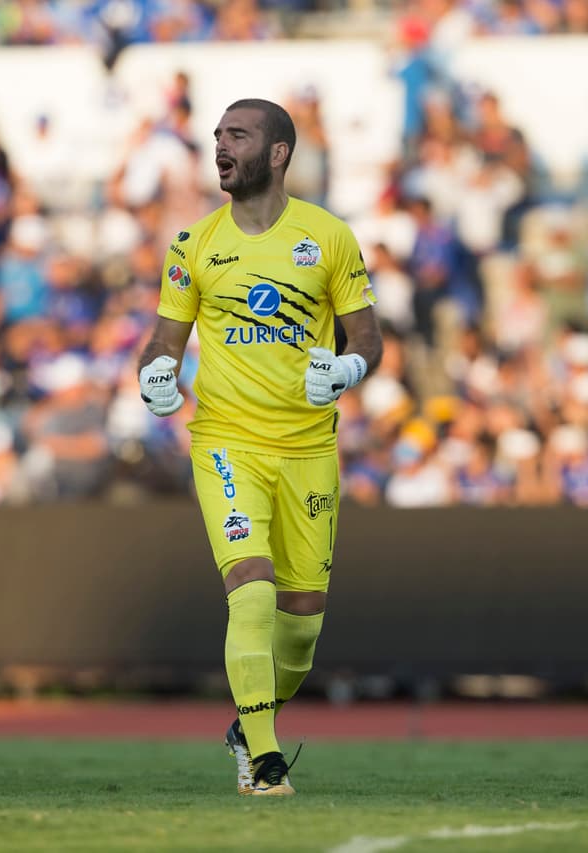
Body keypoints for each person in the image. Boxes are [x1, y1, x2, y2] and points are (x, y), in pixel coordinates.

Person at [136, 98, 382, 796]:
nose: (221, 145)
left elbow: (367, 336)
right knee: (250, 591)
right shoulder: (192, 244)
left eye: (237, 135)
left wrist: (348, 368)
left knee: (300, 633)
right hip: (226, 443)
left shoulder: (328, 237)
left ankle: (250, 723)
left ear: (278, 153)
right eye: (217, 135)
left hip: (308, 450)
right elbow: (163, 340)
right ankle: (265, 762)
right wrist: (154, 373)